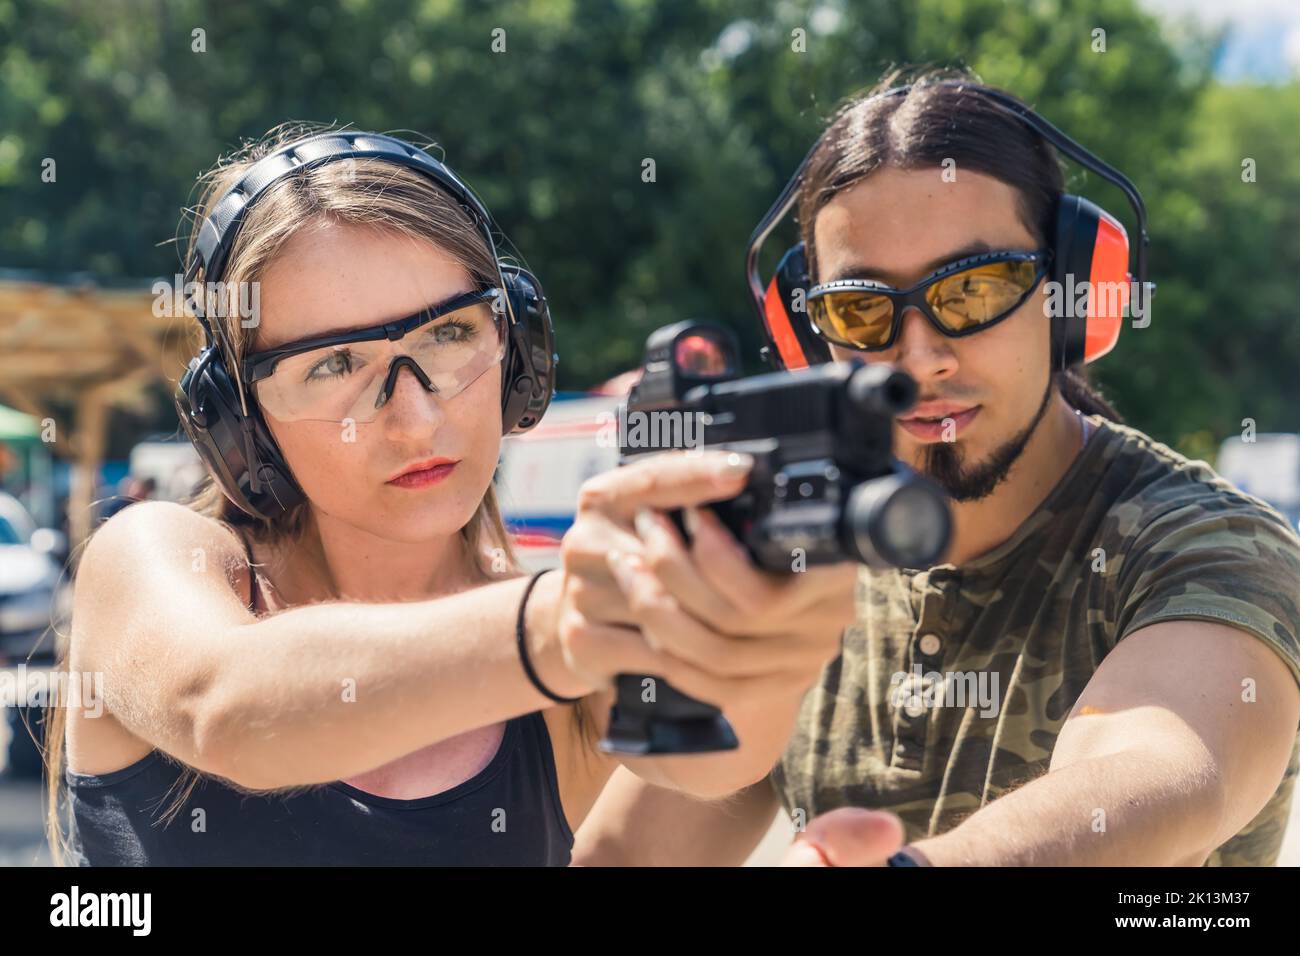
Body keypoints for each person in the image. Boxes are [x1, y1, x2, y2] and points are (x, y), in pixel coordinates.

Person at [43, 123, 854, 865]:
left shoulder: (555, 631)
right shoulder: (148, 556)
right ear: (239, 420)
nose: (416, 416)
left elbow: (719, 764)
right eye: (332, 366)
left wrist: (764, 633)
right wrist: (568, 625)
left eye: (450, 334)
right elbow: (228, 706)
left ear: (520, 349)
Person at [566, 69, 1300, 866]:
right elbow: (624, 855)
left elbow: (1160, 769)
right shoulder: (795, 552)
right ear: (807, 331)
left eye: (975, 288)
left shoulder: (1209, 543)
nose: (919, 358)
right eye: (860, 308)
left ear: (1074, 289)